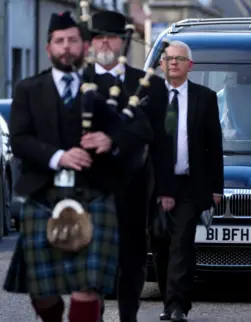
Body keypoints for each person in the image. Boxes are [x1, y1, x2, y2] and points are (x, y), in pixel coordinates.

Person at [2, 12, 152, 322]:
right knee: (42, 293)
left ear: (84, 47)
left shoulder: (104, 87)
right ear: (49, 48)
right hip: (43, 193)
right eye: (59, 41)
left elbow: (140, 129)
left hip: (95, 192)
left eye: (73, 40)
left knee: (88, 287)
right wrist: (58, 156)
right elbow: (19, 139)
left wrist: (111, 138)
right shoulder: (29, 89)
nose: (66, 47)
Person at [88, 10, 167, 322]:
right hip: (89, 187)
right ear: (91, 42)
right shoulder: (78, 83)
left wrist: (166, 190)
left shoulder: (148, 86)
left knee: (132, 260)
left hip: (134, 187)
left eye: (112, 37)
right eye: (98, 37)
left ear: (124, 42)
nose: (105, 43)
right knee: (91, 261)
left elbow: (159, 141)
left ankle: (127, 317)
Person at [151, 40, 224, 322]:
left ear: (189, 65)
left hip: (188, 185)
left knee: (181, 243)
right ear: (161, 64)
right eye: (168, 59)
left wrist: (217, 188)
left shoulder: (204, 98)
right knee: (159, 243)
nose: (173, 63)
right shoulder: (149, 95)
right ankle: (167, 298)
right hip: (156, 187)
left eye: (179, 59)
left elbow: (213, 146)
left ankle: (178, 306)